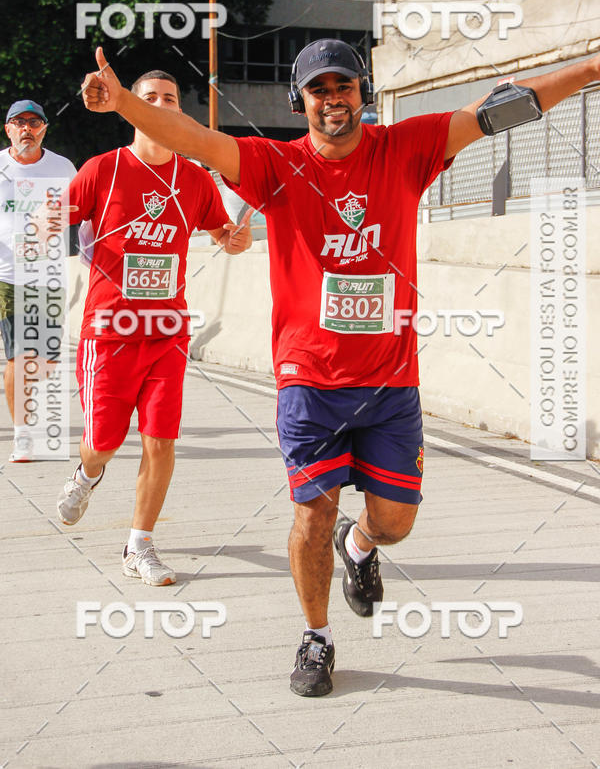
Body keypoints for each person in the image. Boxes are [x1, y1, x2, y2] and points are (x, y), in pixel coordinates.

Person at [80, 40, 598, 689]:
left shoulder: (406, 149)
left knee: (394, 522)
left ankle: (361, 548)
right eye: (319, 90)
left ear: (362, 93)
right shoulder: (274, 164)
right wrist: (126, 102)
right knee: (311, 515)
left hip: (390, 384)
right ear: (301, 101)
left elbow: (500, 110)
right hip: (309, 385)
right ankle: (317, 638)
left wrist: (591, 68)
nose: (333, 99)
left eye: (344, 86)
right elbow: (190, 136)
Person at [56, 69, 252, 586]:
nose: (160, 105)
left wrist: (235, 239)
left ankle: (139, 545)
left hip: (167, 332)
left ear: (179, 111)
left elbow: (222, 230)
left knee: (160, 440)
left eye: (169, 98)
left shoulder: (193, 178)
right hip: (110, 329)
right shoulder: (104, 169)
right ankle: (87, 474)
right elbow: (55, 220)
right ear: (129, 106)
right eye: (149, 98)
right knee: (103, 440)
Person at [0, 99, 76, 462]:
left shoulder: (62, 167)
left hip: (50, 275)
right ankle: (22, 435)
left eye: (34, 122)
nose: (27, 128)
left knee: (43, 361)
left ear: (45, 127)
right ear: (8, 129)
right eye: (19, 122)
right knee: (19, 354)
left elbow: (84, 214)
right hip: (9, 275)